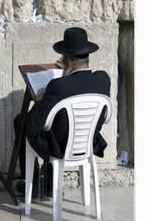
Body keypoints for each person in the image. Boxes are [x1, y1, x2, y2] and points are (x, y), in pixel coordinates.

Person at [17, 27, 111, 196]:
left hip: (60, 147)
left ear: (67, 60)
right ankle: (50, 182)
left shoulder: (58, 86)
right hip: (87, 143)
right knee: (56, 123)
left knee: (22, 121)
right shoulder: (103, 80)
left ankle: (34, 181)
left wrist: (39, 100)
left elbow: (32, 125)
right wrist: (68, 71)